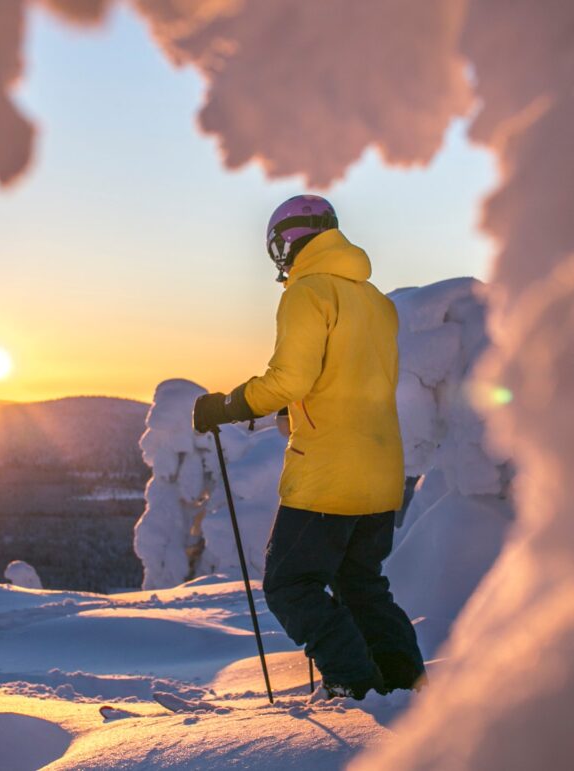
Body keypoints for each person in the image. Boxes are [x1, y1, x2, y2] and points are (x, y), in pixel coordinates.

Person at [193, 194, 425, 700]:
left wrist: (227, 406)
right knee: (361, 585)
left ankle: (354, 684)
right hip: (381, 474)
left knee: (289, 584)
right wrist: (293, 409)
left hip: (327, 478)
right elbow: (347, 381)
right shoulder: (375, 301)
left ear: (289, 242)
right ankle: (405, 685)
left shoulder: (307, 292)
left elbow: (289, 379)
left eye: (278, 245)